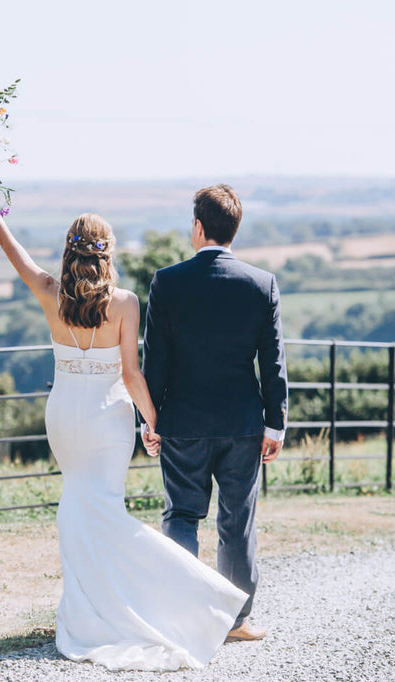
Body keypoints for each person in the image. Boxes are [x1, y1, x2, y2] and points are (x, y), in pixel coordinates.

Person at [0, 185, 248, 671]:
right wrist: (153, 422)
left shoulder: (48, 293)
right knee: (104, 510)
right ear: (107, 255)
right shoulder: (125, 303)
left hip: (64, 416)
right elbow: (132, 375)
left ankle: (89, 607)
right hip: (107, 418)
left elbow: (7, 242)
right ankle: (186, 596)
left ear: (69, 252)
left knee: (76, 507)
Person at [141, 184, 288, 642]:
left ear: (199, 227)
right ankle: (237, 621)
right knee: (236, 522)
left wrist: (149, 421)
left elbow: (154, 363)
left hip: (182, 423)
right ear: (234, 230)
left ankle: (181, 617)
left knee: (182, 517)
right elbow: (274, 361)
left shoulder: (167, 281)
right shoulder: (261, 283)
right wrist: (275, 423)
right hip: (243, 425)